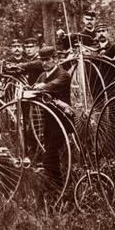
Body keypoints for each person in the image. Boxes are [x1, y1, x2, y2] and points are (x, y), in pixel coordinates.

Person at [33, 46, 72, 196]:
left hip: (61, 122)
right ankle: (57, 189)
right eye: (42, 60)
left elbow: (51, 86)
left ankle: (56, 189)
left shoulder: (63, 74)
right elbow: (34, 89)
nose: (44, 63)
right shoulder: (42, 75)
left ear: (55, 59)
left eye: (47, 59)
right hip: (47, 123)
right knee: (52, 158)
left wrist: (42, 87)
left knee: (49, 158)